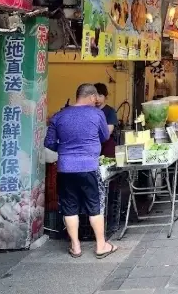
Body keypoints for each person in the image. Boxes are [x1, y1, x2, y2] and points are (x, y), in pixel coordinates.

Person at [44, 84, 117, 259]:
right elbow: (105, 136)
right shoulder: (97, 114)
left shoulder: (59, 116)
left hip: (65, 168)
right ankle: (101, 245)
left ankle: (75, 247)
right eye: (96, 99)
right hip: (88, 166)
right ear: (92, 97)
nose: (97, 102)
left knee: (69, 207)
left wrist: (65, 148)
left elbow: (49, 142)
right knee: (94, 205)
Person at [94, 83, 119, 158]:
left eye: (100, 96)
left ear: (106, 97)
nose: (97, 99)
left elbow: (108, 132)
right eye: (95, 96)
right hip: (93, 146)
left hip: (107, 147)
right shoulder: (90, 111)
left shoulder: (110, 111)